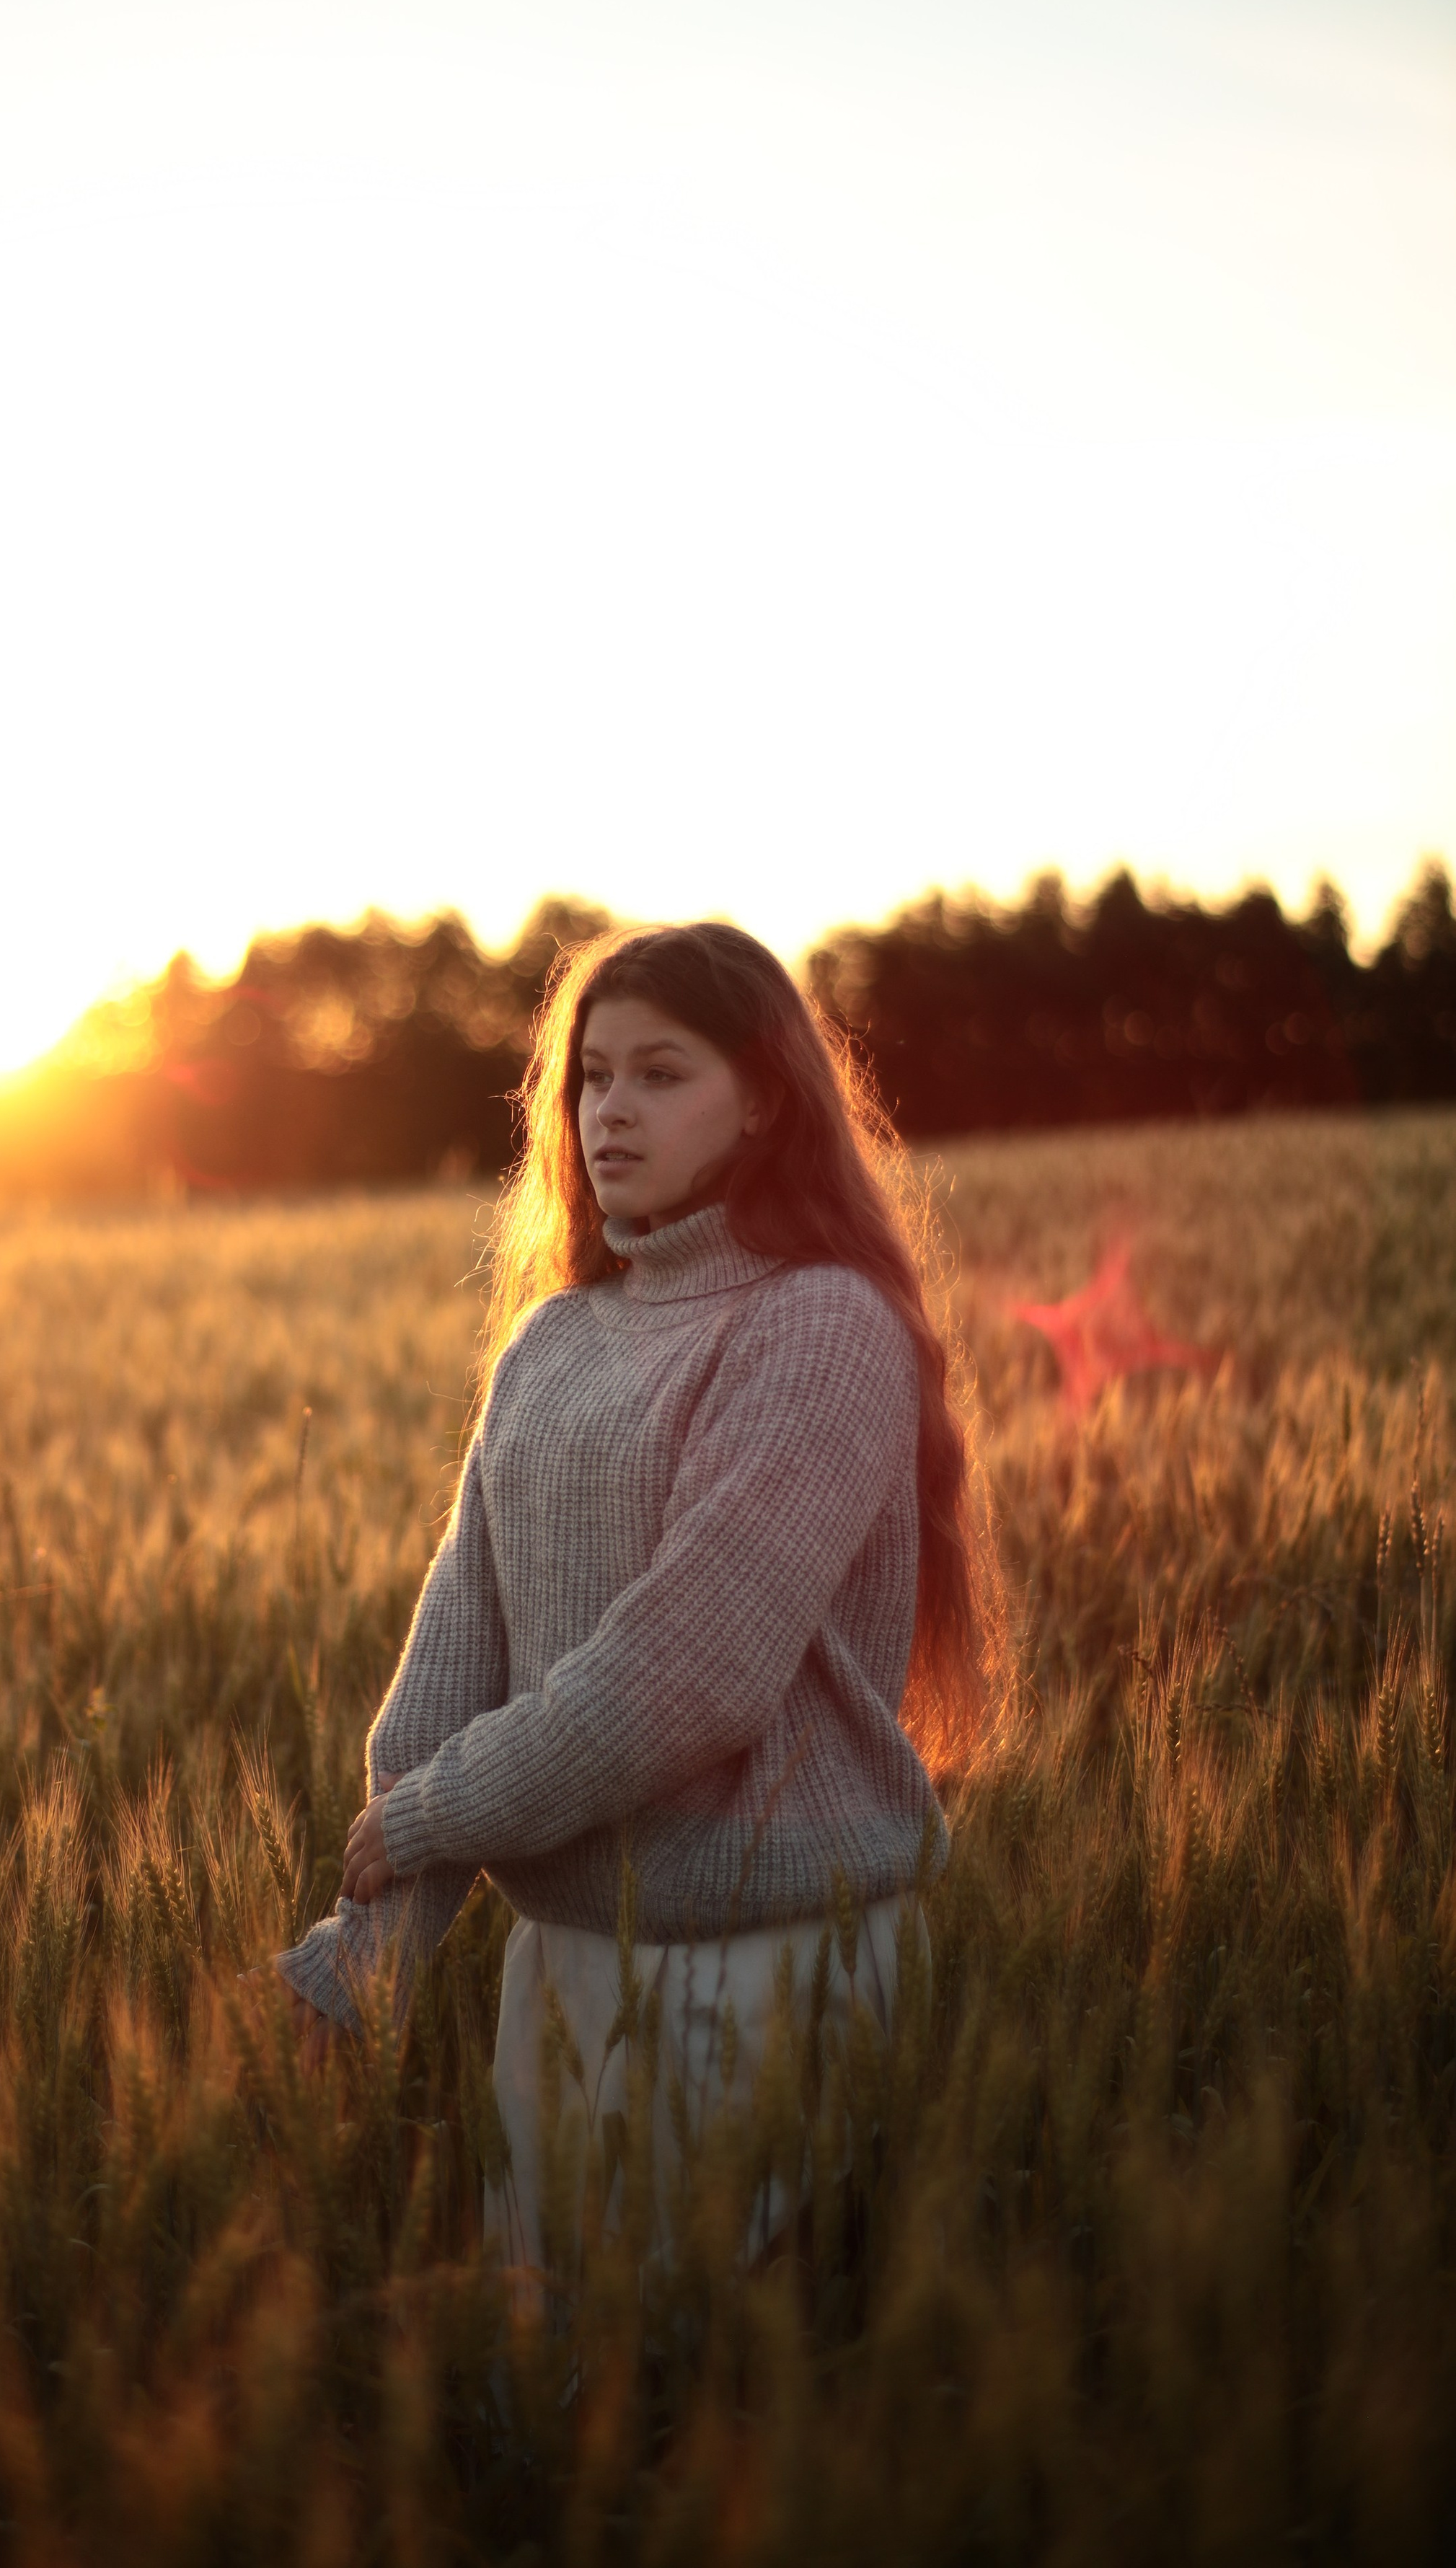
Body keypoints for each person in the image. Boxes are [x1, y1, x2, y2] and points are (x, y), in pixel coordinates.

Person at [278, 920, 985, 2266]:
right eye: (594, 1077)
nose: (610, 1111)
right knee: (548, 2362)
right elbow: (449, 1673)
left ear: (763, 1097)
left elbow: (691, 1675)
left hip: (766, 1964)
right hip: (561, 1967)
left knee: (701, 2373)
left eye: (662, 1075)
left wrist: (430, 1816)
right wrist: (373, 1950)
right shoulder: (551, 1341)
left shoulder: (821, 1326)